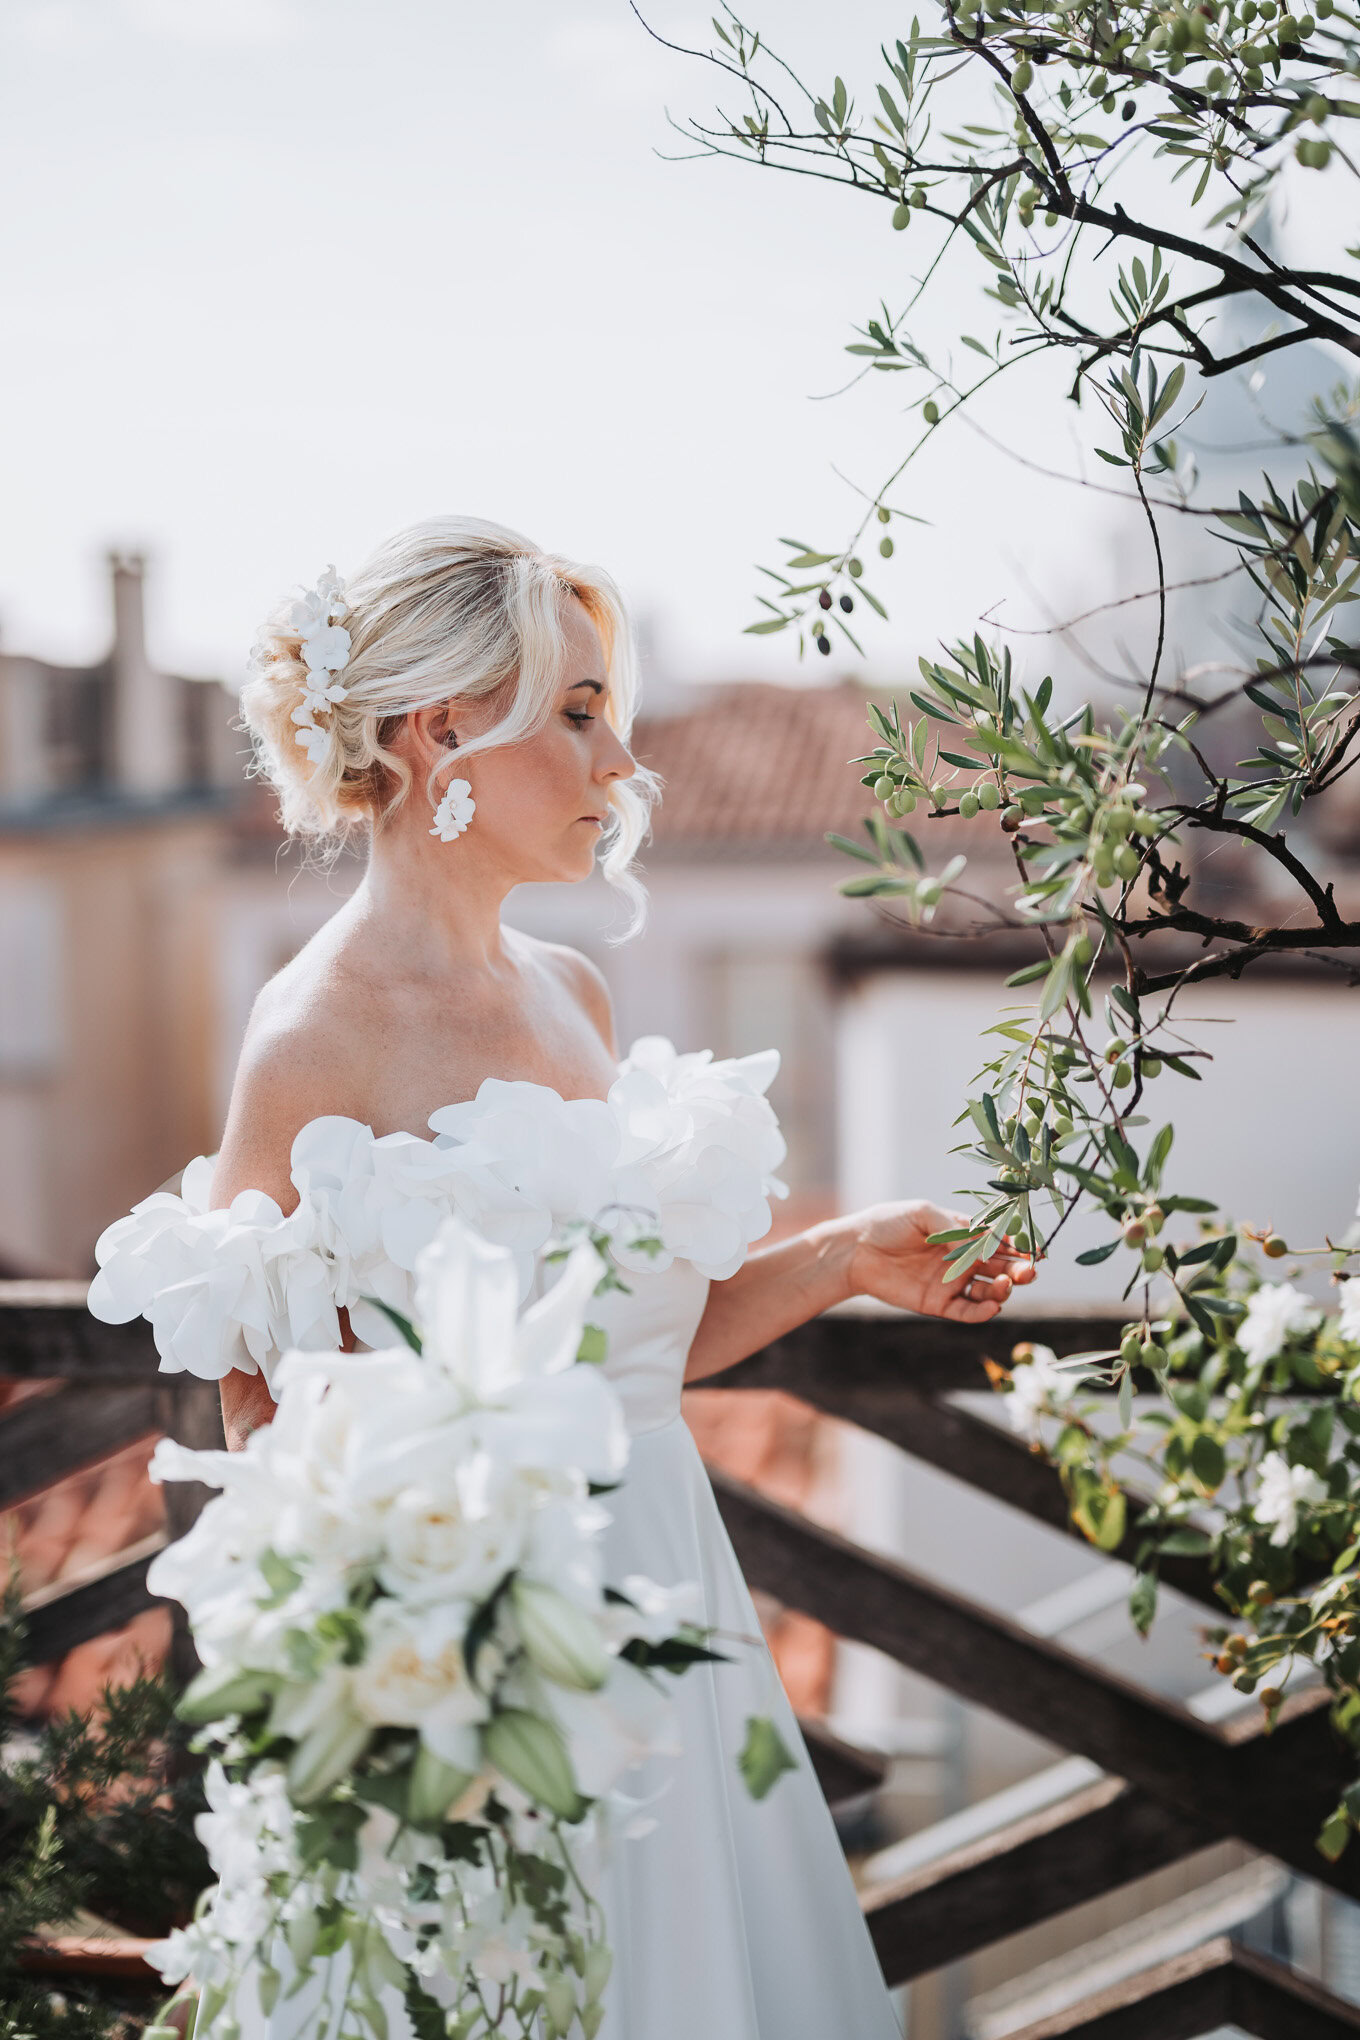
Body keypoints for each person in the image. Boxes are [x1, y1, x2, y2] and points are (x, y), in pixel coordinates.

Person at [91, 516, 1034, 2038]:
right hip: (493, 1689)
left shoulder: (574, 990)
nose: (623, 766)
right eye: (582, 714)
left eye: (617, 716)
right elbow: (272, 1440)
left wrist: (847, 1258)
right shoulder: (312, 1041)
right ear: (441, 726)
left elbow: (626, 1362)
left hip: (675, 1611)